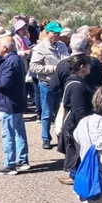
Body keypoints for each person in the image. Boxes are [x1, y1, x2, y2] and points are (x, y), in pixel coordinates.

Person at [0, 36, 29, 175]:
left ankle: (10, 164)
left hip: (9, 103)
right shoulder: (16, 59)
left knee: (9, 134)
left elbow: (4, 82)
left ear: (5, 47)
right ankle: (22, 160)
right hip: (15, 101)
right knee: (19, 132)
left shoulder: (10, 61)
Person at [29, 21, 70, 150]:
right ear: (47, 33)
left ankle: (60, 135)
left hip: (61, 84)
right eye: (54, 33)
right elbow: (34, 67)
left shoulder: (62, 46)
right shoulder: (39, 48)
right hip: (47, 84)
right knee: (46, 113)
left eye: (58, 33)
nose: (57, 35)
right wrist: (53, 68)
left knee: (61, 111)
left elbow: (67, 59)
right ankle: (46, 138)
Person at [57, 54, 94, 185]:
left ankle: (75, 175)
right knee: (76, 149)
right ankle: (75, 176)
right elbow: (79, 111)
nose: (90, 67)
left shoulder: (76, 80)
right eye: (88, 64)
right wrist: (85, 128)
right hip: (75, 124)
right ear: (82, 67)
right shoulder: (76, 85)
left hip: (75, 122)